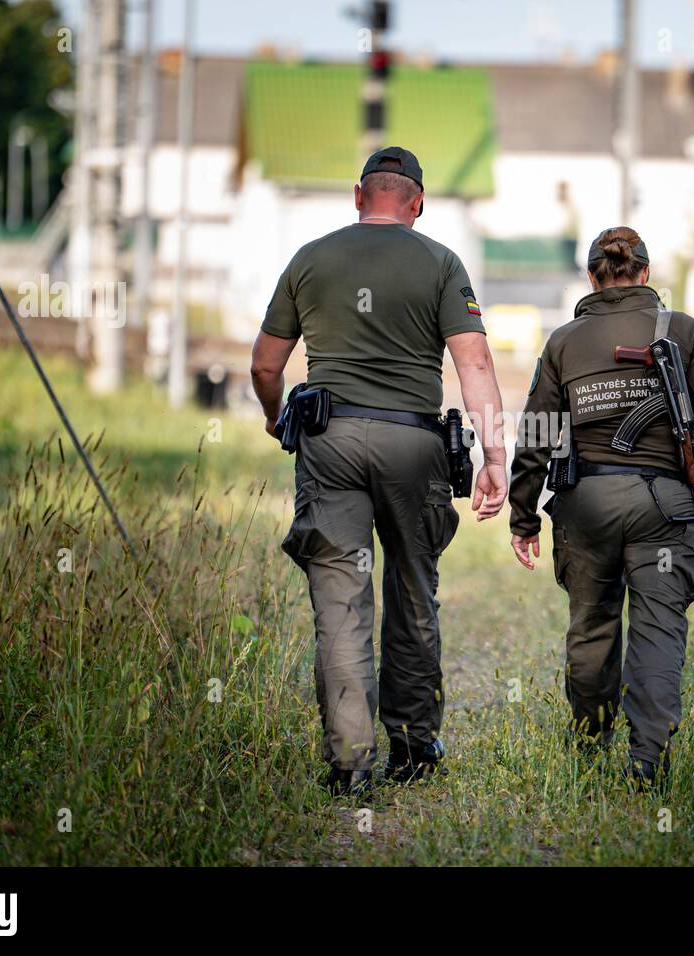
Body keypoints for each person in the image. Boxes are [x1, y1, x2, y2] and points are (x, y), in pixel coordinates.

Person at [250, 146, 507, 796]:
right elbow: (473, 364)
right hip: (413, 444)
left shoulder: (311, 258)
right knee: (414, 590)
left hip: (329, 439)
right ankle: (415, 745)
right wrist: (495, 454)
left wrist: (278, 416)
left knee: (340, 599)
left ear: (359, 195)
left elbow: (263, 365)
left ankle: (350, 762)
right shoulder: (441, 263)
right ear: (416, 204)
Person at [507, 226, 694, 788]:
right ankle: (647, 766)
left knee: (591, 628)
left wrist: (523, 513)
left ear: (592, 277)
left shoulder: (562, 341)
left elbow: (535, 432)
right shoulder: (682, 331)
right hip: (665, 508)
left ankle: (589, 748)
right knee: (658, 633)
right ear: (646, 274)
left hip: (585, 505)